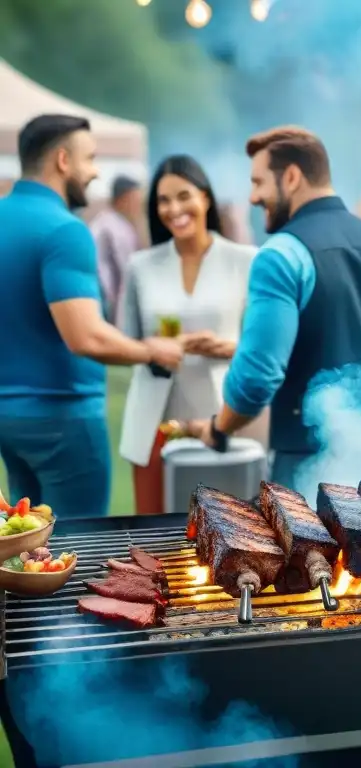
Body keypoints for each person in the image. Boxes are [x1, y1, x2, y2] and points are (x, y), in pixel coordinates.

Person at [189, 126, 361, 492]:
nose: (252, 197)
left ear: (292, 177)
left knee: (309, 552)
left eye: (259, 182)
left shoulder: (280, 255)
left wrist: (218, 428)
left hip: (307, 475)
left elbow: (255, 378)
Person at [0, 114, 182, 517]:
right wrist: (151, 351)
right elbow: (86, 337)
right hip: (63, 420)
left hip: (8, 419)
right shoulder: (65, 230)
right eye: (90, 158)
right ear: (63, 161)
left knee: (26, 545)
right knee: (78, 551)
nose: (96, 172)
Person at [119, 155, 260, 514]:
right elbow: (124, 340)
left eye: (184, 196)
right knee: (155, 533)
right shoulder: (141, 265)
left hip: (223, 414)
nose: (173, 209)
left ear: (206, 198)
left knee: (232, 530)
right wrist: (153, 348)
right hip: (155, 418)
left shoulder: (246, 259)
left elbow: (264, 344)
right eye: (163, 201)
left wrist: (230, 347)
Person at [89, 175, 141, 323]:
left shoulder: (102, 220)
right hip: (106, 296)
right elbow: (128, 270)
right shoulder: (117, 228)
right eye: (135, 199)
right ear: (123, 199)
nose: (138, 205)